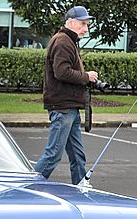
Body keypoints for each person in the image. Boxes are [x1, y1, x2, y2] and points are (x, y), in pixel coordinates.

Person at [34, 6, 99, 185]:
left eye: (87, 24)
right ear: (70, 22)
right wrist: (86, 77)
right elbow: (61, 72)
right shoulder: (63, 41)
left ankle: (81, 185)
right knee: (53, 154)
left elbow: (64, 72)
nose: (86, 28)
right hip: (62, 107)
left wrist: (86, 78)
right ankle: (26, 185)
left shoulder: (68, 40)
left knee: (77, 155)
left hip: (69, 107)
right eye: (82, 24)